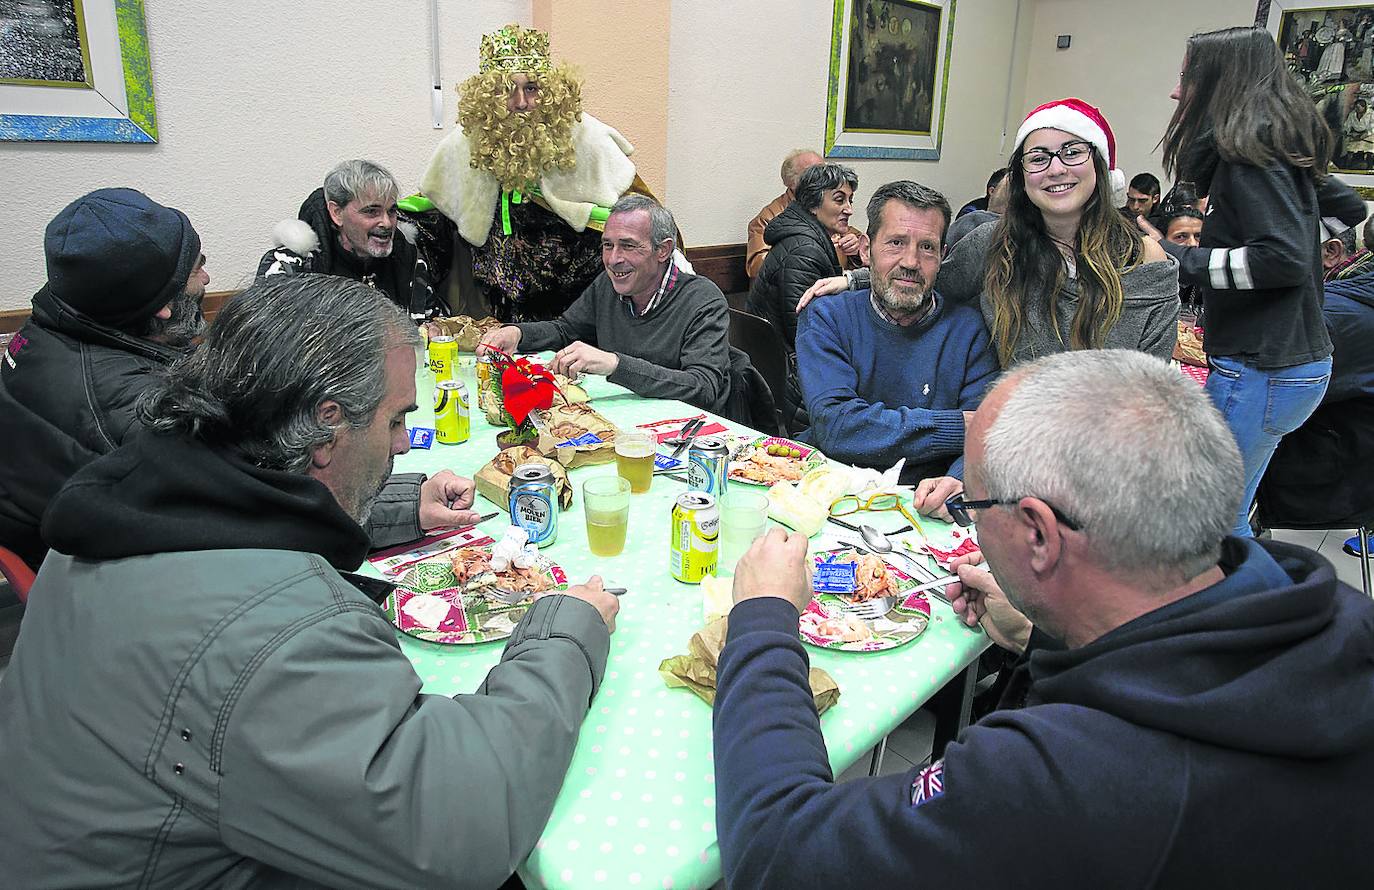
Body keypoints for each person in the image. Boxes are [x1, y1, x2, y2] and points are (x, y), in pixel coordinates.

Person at [0, 274, 620, 887]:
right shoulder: (280, 636)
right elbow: (464, 821)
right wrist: (565, 633)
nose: (405, 443)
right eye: (395, 420)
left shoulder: (127, 502)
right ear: (326, 427)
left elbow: (249, 518)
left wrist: (394, 505)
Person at [712, 349, 1374, 889]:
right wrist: (1048, 629)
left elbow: (777, 853)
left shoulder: (1067, 779)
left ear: (1037, 534)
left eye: (975, 501)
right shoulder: (1332, 614)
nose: (969, 513)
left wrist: (764, 618)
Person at [1149, 25, 1367, 537]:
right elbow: (1350, 210)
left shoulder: (1250, 158)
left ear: (1220, 83)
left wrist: (1183, 257)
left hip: (1263, 370)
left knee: (1216, 523)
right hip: (1293, 366)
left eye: (1187, 78)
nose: (1177, 92)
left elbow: (1283, 261)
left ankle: (1236, 612)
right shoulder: (1274, 149)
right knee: (1230, 512)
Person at [806, 98, 1177, 369]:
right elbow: (931, 278)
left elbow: (1152, 381)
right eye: (1038, 158)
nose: (1056, 169)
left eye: (1072, 152)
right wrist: (854, 279)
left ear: (1100, 167)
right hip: (1007, 443)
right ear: (1022, 176)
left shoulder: (1142, 258)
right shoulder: (994, 243)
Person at [0, 188, 209, 571]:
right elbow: (219, 515)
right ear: (162, 306)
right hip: (112, 578)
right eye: (197, 269)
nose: (207, 278)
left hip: (49, 545)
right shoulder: (138, 411)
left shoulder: (48, 329)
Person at [418, 23, 666, 323]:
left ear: (549, 92)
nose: (521, 102)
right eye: (508, 90)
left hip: (579, 316)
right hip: (496, 314)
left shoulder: (587, 138)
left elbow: (648, 219)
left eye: (531, 89)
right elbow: (432, 207)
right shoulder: (466, 144)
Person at [796, 180, 998, 503]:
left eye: (927, 247)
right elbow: (836, 427)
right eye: (895, 243)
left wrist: (958, 479)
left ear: (943, 256)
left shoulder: (971, 330)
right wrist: (957, 426)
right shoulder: (826, 317)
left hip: (925, 505)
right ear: (866, 250)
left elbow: (988, 436)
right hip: (830, 494)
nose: (911, 262)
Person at [479, 195, 731, 415]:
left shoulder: (702, 299)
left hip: (690, 435)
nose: (613, 259)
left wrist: (615, 364)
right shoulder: (607, 286)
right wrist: (518, 333)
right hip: (628, 422)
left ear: (663, 250)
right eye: (607, 245)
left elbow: (703, 388)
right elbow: (565, 330)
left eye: (628, 246)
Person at [1258, 218, 1374, 530]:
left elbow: (1270, 395)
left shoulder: (1333, 312)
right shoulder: (1346, 299)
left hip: (1324, 473)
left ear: (1331, 252)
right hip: (1354, 466)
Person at [259, 159, 438, 320]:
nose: (386, 223)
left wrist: (435, 329)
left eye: (391, 211)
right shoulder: (290, 267)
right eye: (371, 211)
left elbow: (432, 320)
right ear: (337, 213)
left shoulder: (409, 259)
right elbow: (269, 343)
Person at [746, 148, 864, 279]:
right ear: (791, 182)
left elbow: (865, 253)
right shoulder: (769, 217)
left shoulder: (829, 210)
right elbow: (756, 268)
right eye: (812, 174)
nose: (823, 179)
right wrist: (808, 250)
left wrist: (855, 251)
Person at [1343, 98, 1374, 169]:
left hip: (1369, 135)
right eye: (1356, 107)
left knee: (1370, 152)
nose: (1356, 109)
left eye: (1358, 107)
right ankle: (1347, 168)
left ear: (1364, 107)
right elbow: (1347, 125)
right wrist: (1348, 133)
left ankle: (1370, 168)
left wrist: (1365, 135)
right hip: (1356, 135)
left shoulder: (1371, 113)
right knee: (1350, 152)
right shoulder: (1352, 114)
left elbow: (1372, 128)